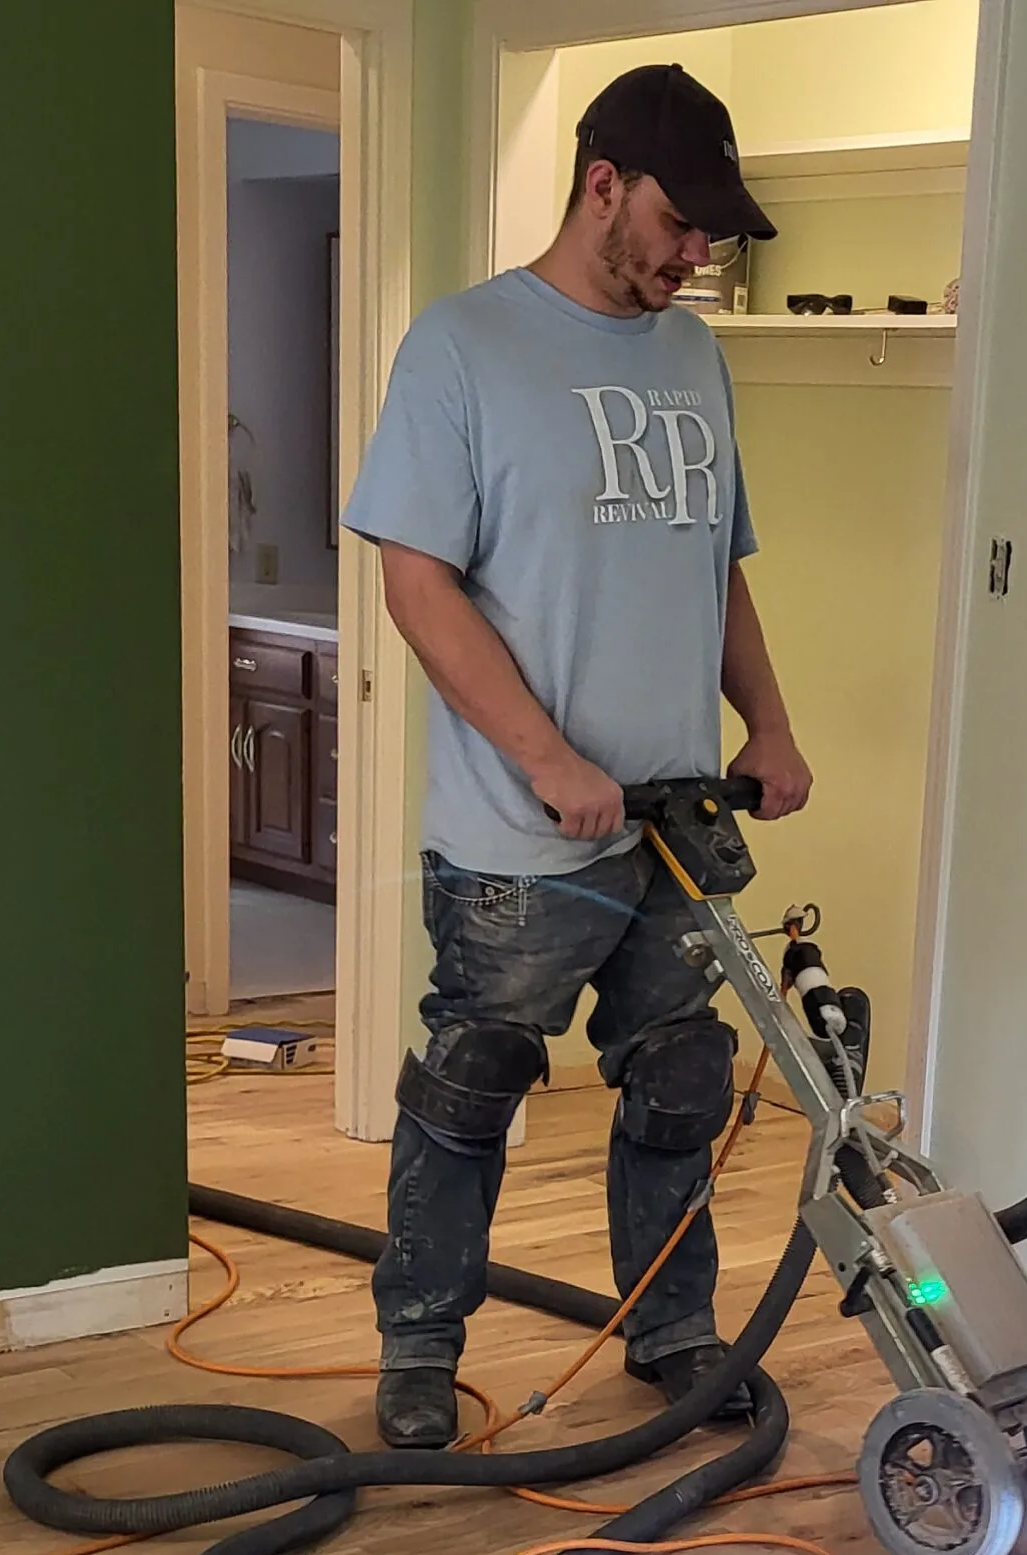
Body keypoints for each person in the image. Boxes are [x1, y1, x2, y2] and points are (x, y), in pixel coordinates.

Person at [340, 62, 812, 1449]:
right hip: (521, 835)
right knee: (470, 1084)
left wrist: (770, 725)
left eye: (712, 237)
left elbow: (717, 565)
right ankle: (421, 1347)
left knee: (680, 1080)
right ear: (601, 183)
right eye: (679, 224)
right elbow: (417, 586)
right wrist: (546, 757)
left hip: (674, 821)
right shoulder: (464, 347)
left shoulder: (694, 355)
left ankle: (673, 1331)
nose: (695, 256)